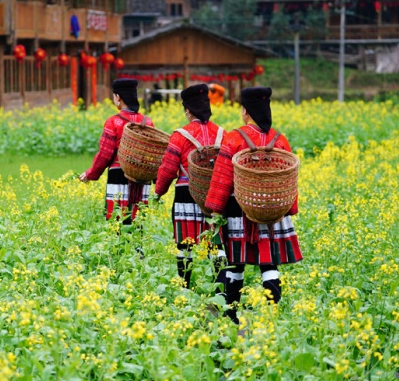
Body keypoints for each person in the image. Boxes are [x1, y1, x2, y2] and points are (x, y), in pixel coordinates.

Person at [205, 86, 302, 324]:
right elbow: (289, 178)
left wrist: (214, 210)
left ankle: (231, 316)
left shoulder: (235, 139)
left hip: (239, 209)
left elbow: (222, 178)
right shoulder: (280, 140)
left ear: (246, 111)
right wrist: (289, 208)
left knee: (235, 264)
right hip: (271, 212)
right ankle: (272, 316)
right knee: (269, 264)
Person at [154, 84, 225, 288]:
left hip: (187, 194)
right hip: (215, 195)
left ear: (188, 110)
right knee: (216, 243)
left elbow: (168, 169)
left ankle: (184, 287)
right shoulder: (222, 133)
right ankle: (219, 286)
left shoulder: (180, 136)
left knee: (185, 244)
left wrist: (158, 192)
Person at [80, 78, 153, 224]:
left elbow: (105, 154)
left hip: (118, 175)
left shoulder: (113, 122)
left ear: (118, 97)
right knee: (137, 223)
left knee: (117, 222)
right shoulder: (147, 122)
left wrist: (91, 174)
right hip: (141, 177)